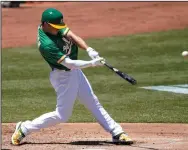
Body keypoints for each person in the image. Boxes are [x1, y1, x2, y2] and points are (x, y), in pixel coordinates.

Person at [11, 8, 133, 145]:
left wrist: (89, 49)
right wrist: (91, 63)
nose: (59, 30)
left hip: (74, 72)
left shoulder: (55, 25)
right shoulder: (46, 44)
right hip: (63, 76)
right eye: (55, 27)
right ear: (45, 24)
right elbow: (68, 64)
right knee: (62, 115)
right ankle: (24, 128)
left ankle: (117, 132)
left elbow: (72, 36)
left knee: (93, 102)